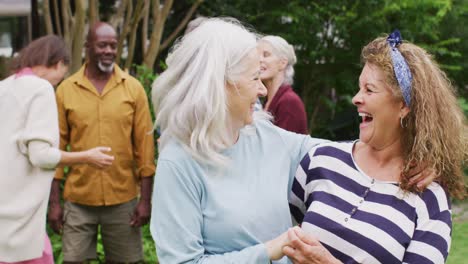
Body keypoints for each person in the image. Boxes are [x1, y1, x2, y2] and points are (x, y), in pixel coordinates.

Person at [150, 18, 325, 263]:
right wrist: (270, 250)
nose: (263, 90)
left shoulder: (264, 135)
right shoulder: (178, 163)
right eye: (255, 78)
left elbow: (342, 155)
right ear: (220, 86)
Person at [283, 30, 467, 263]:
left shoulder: (429, 198)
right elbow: (275, 237)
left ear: (403, 107)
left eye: (369, 90)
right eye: (359, 88)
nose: (356, 98)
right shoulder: (321, 159)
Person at [0, 35, 114, 263]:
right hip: (21, 221)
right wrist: (87, 156)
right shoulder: (41, 89)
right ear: (59, 62)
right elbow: (40, 156)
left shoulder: (4, 87)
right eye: (64, 70)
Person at [48, 22, 156, 263]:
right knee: (73, 260)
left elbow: (145, 150)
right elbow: (55, 150)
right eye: (102, 45)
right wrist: (54, 203)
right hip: (78, 201)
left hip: (123, 200)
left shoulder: (133, 89)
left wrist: (146, 201)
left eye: (113, 46)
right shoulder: (66, 90)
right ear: (87, 47)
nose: (109, 50)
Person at [258, 35, 308, 134]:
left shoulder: (289, 102)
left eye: (266, 55)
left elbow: (284, 147)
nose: (259, 60)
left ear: (283, 63)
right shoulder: (267, 100)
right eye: (257, 56)